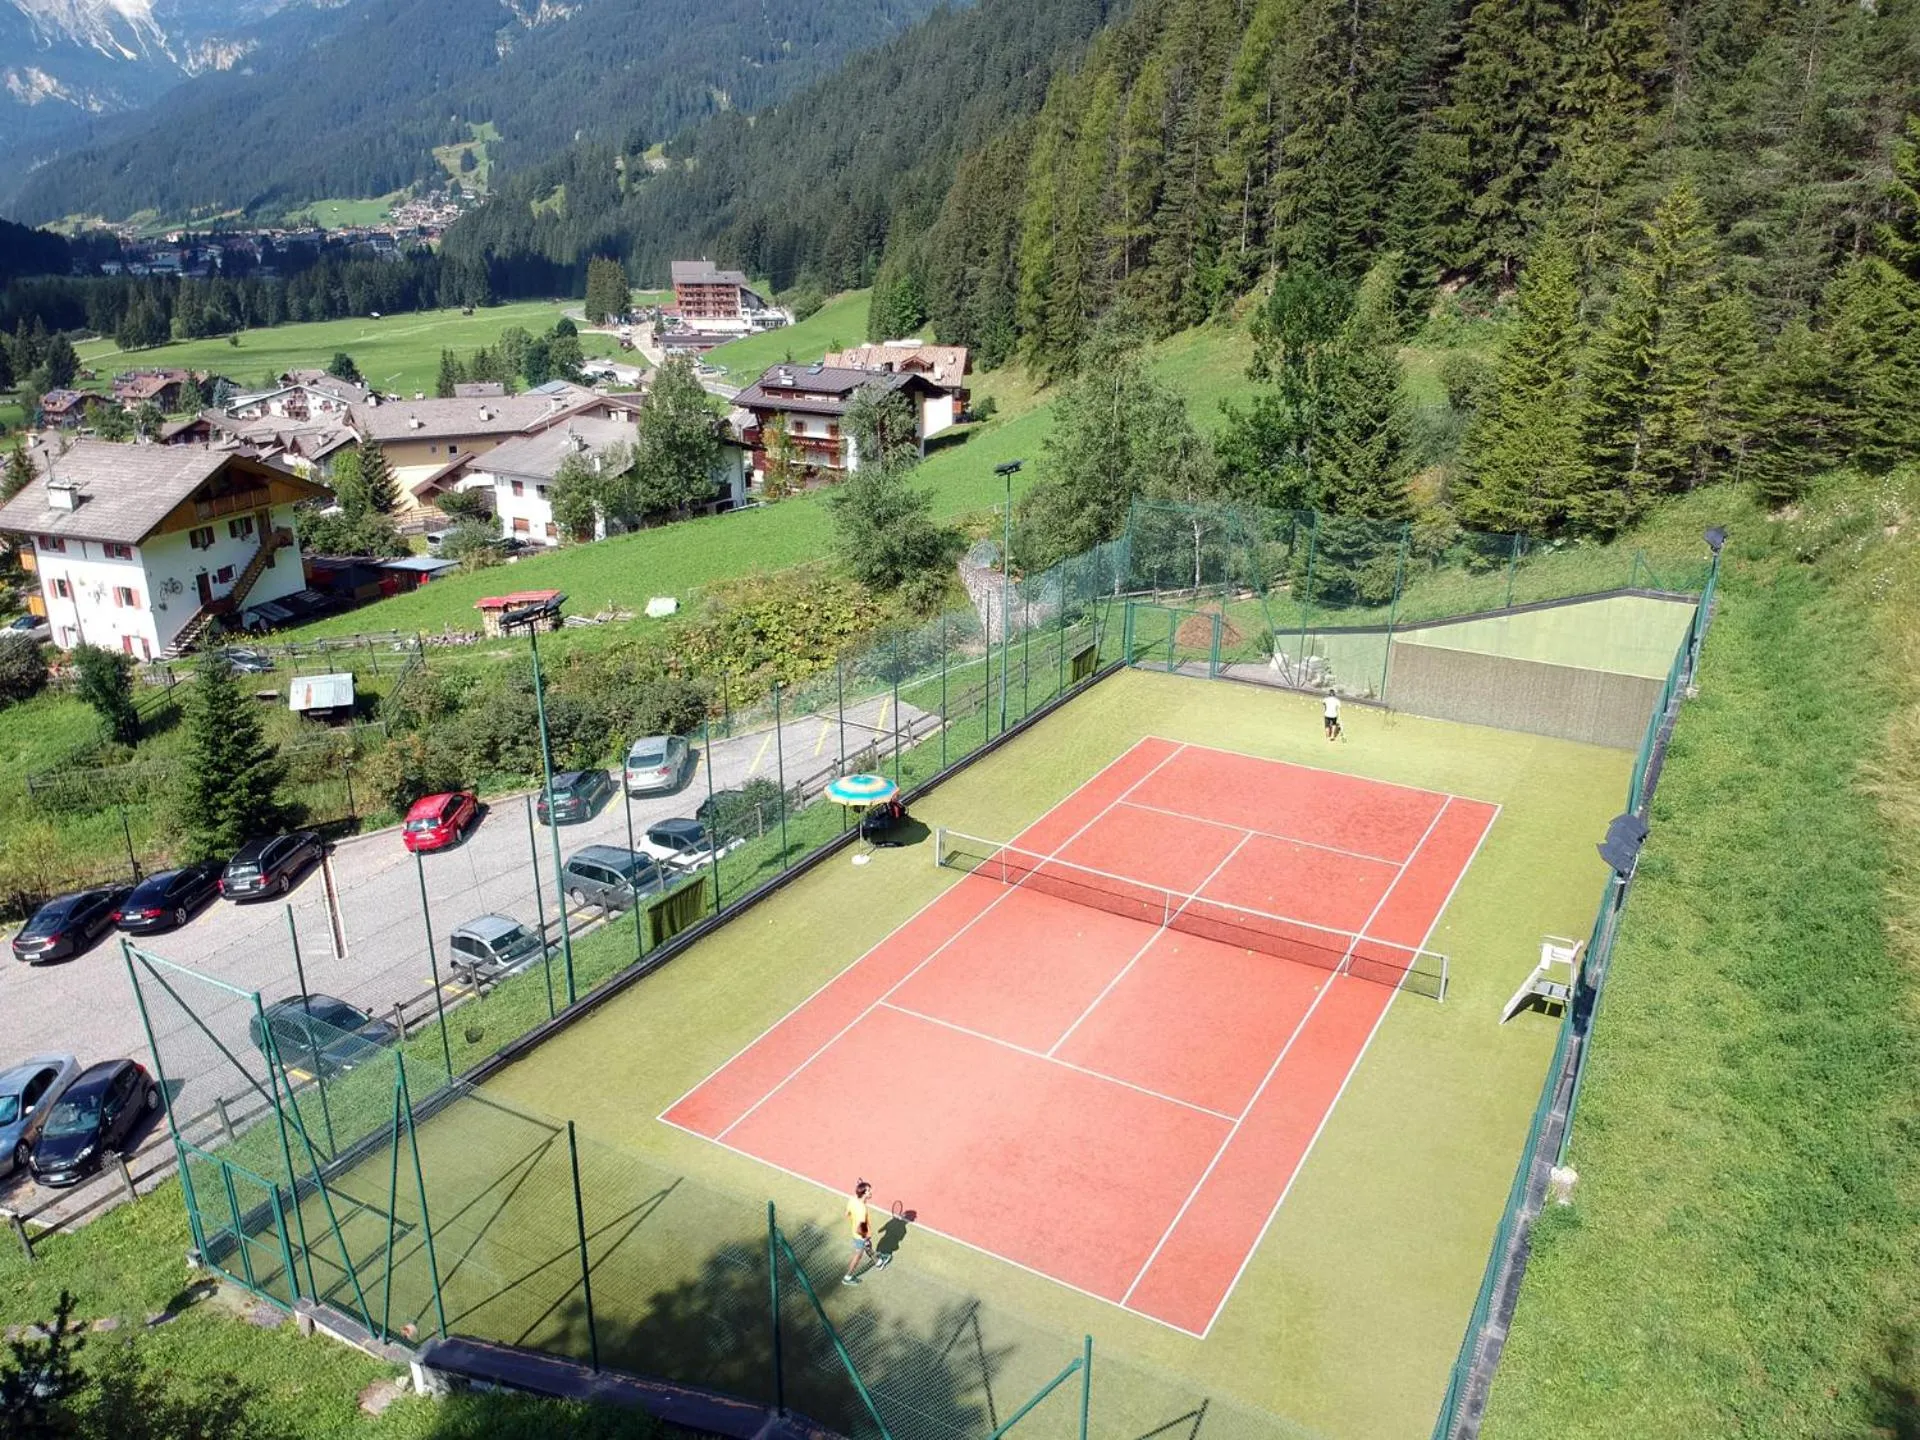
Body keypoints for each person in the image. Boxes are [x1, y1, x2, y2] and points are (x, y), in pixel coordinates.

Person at [843, 1179, 888, 1282]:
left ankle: (878, 1262)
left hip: (855, 1232)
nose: (870, 1192)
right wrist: (866, 1236)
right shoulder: (862, 1209)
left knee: (868, 1247)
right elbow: (860, 1228)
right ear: (863, 1194)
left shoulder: (853, 1199)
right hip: (860, 1235)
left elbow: (847, 1213)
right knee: (858, 1255)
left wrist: (860, 1185)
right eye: (868, 1191)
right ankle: (847, 1277)